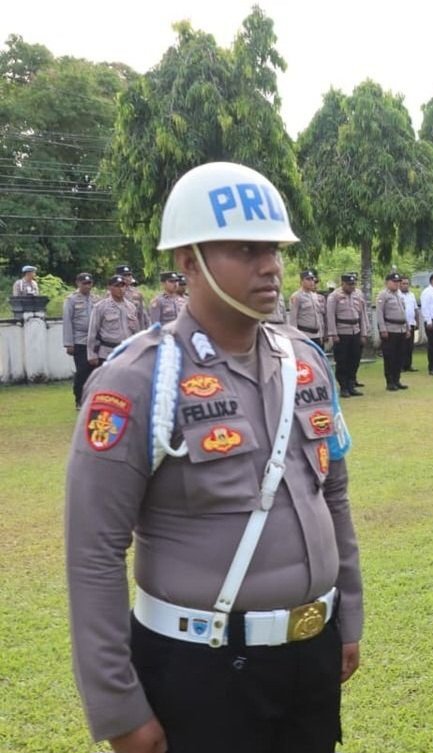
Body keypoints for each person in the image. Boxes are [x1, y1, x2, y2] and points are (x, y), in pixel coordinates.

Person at [65, 161, 363, 753]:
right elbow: (93, 549)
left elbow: (333, 494)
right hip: (201, 668)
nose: (271, 265)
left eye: (274, 248)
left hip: (311, 654)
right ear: (188, 260)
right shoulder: (136, 379)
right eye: (247, 249)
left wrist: (346, 614)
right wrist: (117, 705)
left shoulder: (303, 359)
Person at [86, 274, 145, 365]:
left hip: (127, 352)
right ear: (109, 287)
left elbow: (137, 331)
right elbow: (93, 332)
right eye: (117, 286)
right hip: (108, 353)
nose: (120, 289)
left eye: (123, 286)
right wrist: (91, 354)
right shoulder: (101, 307)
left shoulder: (131, 307)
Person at [62, 272, 101, 408]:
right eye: (84, 283)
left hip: (95, 341)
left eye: (89, 283)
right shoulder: (71, 299)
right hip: (80, 340)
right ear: (78, 283)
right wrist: (69, 343)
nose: (87, 286)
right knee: (82, 371)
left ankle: (92, 398)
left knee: (94, 371)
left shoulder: (96, 298)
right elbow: (67, 321)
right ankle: (79, 398)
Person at [326, 273, 367, 397]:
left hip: (355, 330)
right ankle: (343, 387)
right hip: (341, 332)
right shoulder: (334, 296)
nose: (352, 287)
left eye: (353, 284)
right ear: (342, 283)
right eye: (349, 284)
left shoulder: (358, 295)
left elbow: (363, 315)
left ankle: (351, 384)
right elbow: (330, 315)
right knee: (342, 361)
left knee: (354, 359)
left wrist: (364, 333)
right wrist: (333, 333)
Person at [376, 272, 409, 391]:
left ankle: (397, 379)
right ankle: (390, 381)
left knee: (399, 356)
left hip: (401, 328)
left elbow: (404, 314)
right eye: (394, 282)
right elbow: (379, 314)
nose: (396, 284)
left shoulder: (399, 295)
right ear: (387, 282)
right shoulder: (383, 295)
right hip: (390, 329)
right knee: (390, 357)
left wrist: (407, 328)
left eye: (398, 282)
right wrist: (383, 329)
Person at [289, 269, 325, 347]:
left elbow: (319, 317)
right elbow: (293, 318)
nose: (311, 282)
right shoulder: (297, 296)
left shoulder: (315, 296)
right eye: (308, 279)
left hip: (317, 335)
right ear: (302, 281)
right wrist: (295, 337)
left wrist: (321, 334)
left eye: (312, 279)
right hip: (304, 335)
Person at [400, 276, 418, 372]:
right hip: (401, 324)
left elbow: (415, 309)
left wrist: (417, 321)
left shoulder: (411, 295)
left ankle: (408, 364)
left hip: (411, 323)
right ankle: (401, 365)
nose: (405, 285)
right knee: (402, 346)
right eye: (403, 283)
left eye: (407, 283)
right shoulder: (397, 295)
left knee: (410, 346)